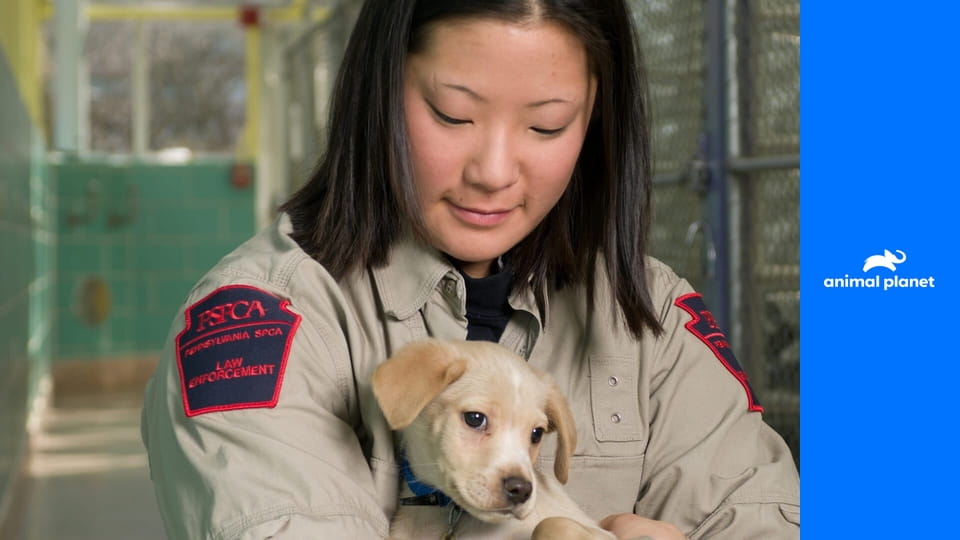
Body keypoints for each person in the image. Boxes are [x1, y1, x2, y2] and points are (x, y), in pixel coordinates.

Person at [140, 0, 800, 538]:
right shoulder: (260, 321)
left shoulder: (650, 317)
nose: (492, 172)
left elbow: (759, 517)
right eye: (452, 114)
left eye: (547, 126)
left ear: (595, 121)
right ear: (380, 92)